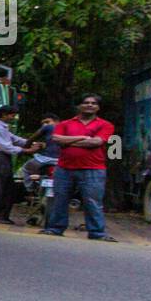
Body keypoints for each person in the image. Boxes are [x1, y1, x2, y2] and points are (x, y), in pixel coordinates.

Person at [40, 94, 117, 241]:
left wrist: (68, 142)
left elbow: (96, 142)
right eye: (86, 102)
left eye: (93, 103)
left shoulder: (105, 125)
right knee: (60, 199)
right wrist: (84, 138)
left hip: (93, 169)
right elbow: (56, 139)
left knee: (93, 201)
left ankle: (97, 233)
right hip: (64, 168)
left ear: (98, 107)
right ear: (79, 106)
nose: (90, 105)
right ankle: (55, 228)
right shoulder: (65, 124)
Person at [0, 104, 39, 224]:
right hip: (0, 158)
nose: (13, 118)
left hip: (2, 158)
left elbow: (15, 139)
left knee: (4, 186)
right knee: (1, 187)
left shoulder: (3, 128)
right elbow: (6, 146)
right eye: (12, 115)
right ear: (4, 115)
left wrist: (31, 142)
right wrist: (27, 150)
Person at [20, 112, 61, 192]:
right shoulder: (68, 127)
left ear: (57, 121)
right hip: (62, 160)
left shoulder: (48, 127)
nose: (45, 125)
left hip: (44, 159)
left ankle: (30, 189)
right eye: (43, 123)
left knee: (26, 169)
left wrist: (25, 148)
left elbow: (32, 139)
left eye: (47, 122)